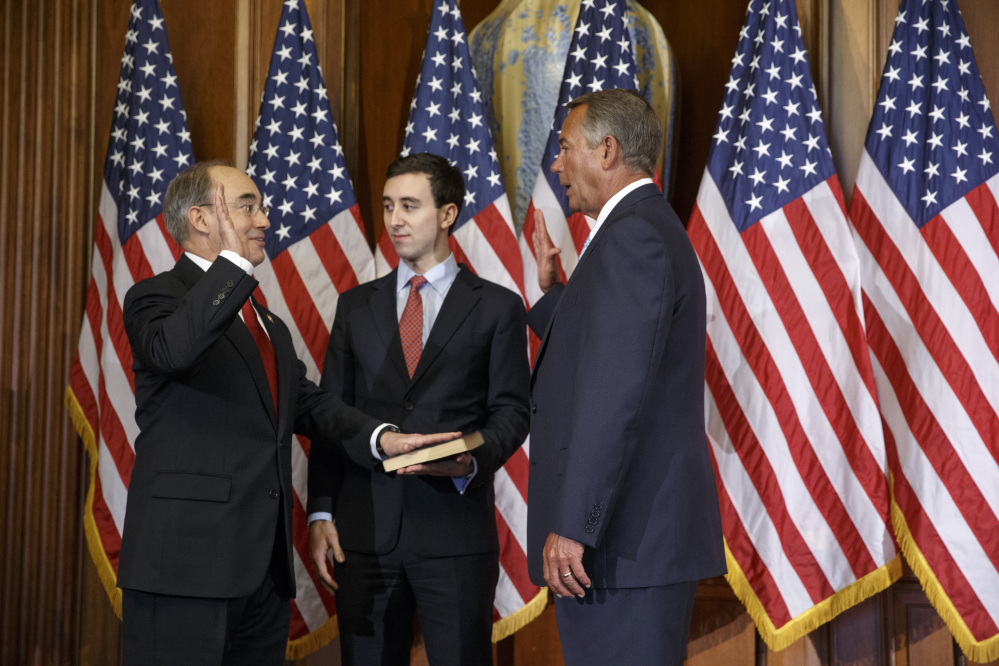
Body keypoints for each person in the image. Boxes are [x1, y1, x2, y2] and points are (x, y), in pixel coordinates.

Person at [117, 161, 456, 666]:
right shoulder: (155, 296)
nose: (264, 221)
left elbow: (306, 402)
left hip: (262, 573)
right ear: (202, 219)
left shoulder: (264, 319)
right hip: (186, 567)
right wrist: (232, 266)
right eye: (247, 207)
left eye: (260, 206)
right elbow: (175, 351)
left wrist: (381, 438)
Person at [307, 153, 530, 665]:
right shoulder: (355, 306)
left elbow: (512, 413)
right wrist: (321, 509)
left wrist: (470, 460)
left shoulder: (496, 307)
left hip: (453, 534)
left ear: (447, 214)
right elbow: (329, 415)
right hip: (364, 539)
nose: (394, 220)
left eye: (409, 205)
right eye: (388, 206)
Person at [527, 89, 726, 665]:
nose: (557, 164)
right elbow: (617, 353)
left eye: (565, 149)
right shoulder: (637, 230)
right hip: (628, 543)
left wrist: (575, 525)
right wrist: (555, 298)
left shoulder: (633, 236)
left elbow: (616, 397)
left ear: (607, 150)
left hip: (621, 543)